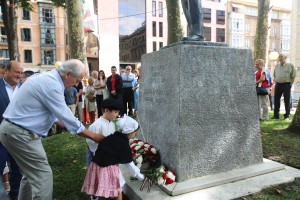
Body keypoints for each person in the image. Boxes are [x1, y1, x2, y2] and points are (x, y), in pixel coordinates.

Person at [0, 59, 105, 200]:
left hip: (13, 131)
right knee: (43, 176)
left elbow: (50, 114)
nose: (76, 84)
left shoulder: (46, 78)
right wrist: (93, 136)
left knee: (30, 176)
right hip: (21, 134)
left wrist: (66, 125)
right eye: (76, 80)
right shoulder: (52, 84)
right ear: (67, 74)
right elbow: (66, 116)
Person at [81, 114, 144, 200]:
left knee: (103, 191)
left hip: (97, 165)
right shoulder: (123, 144)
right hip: (108, 168)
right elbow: (129, 164)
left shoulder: (112, 136)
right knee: (117, 191)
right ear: (130, 132)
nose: (135, 136)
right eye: (135, 133)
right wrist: (138, 175)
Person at [0, 61, 23, 200]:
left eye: (21, 73)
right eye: (16, 72)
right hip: (0, 138)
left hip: (19, 138)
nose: (19, 75)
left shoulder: (25, 88)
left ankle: (15, 197)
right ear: (6, 71)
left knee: (18, 172)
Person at [272, 54, 296, 121]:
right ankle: (276, 115)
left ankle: (287, 116)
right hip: (278, 85)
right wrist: (274, 84)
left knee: (287, 100)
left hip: (286, 85)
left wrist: (290, 85)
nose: (280, 58)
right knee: (276, 100)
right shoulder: (276, 66)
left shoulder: (290, 65)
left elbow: (293, 76)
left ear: (285, 58)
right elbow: (275, 76)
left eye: (281, 56)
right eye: (279, 57)